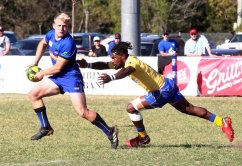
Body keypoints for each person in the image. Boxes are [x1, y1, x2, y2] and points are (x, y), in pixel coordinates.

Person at [77, 41, 234, 148]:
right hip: (168, 86)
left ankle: (143, 138)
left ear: (122, 55)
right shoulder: (125, 60)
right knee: (190, 109)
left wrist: (111, 77)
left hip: (160, 92)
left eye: (114, 57)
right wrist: (88, 64)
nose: (112, 60)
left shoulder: (131, 62)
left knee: (131, 108)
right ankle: (222, 122)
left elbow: (127, 71)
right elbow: (105, 65)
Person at [27, 13, 118, 149]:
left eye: (65, 26)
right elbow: (42, 43)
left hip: (71, 78)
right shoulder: (51, 34)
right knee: (33, 95)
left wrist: (41, 73)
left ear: (68, 27)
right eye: (59, 26)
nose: (62, 28)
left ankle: (110, 131)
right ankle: (45, 127)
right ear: (54, 25)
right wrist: (34, 62)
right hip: (58, 78)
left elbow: (58, 68)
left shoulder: (68, 43)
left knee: (82, 112)